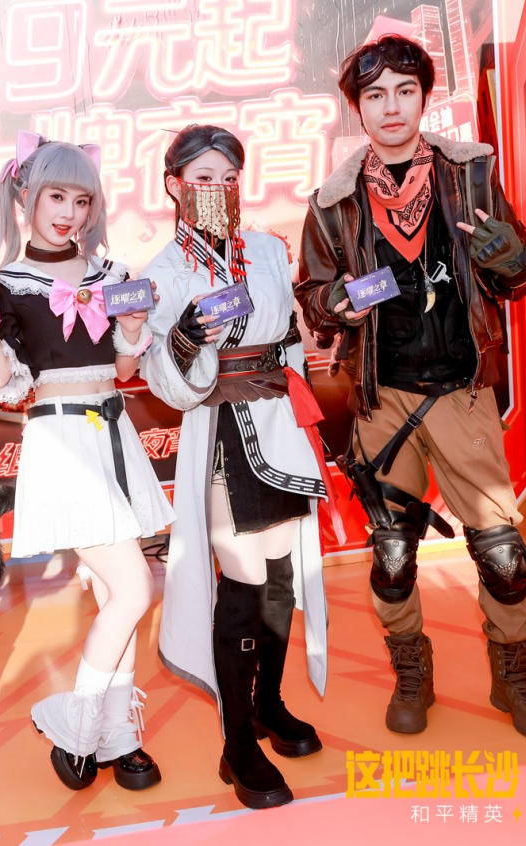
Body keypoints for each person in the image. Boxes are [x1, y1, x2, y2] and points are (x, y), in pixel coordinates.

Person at [295, 35, 526, 740]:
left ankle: (514, 675)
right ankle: (411, 669)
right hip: (381, 397)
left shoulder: (469, 174)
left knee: (502, 553)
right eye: (375, 94)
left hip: (462, 391)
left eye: (404, 91)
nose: (391, 107)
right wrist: (335, 303)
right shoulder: (332, 201)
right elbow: (312, 295)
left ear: (424, 97)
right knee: (391, 554)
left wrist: (510, 259)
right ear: (357, 108)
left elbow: (520, 278)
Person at [0, 132, 174, 793]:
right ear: (26, 200)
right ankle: (77, 724)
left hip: (113, 432)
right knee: (134, 588)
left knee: (117, 593)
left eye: (81, 200)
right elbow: (2, 381)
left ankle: (118, 736)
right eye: (56, 197)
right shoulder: (9, 284)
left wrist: (132, 331)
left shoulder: (111, 275)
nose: (69, 213)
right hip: (62, 442)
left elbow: (125, 370)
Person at [141, 125, 332, 810]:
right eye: (202, 178)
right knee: (244, 581)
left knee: (279, 575)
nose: (217, 190)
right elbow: (162, 378)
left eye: (227, 178)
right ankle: (237, 740)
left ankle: (268, 704)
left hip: (279, 423)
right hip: (223, 429)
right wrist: (184, 338)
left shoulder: (268, 250)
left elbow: (291, 340)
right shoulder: (162, 272)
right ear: (173, 186)